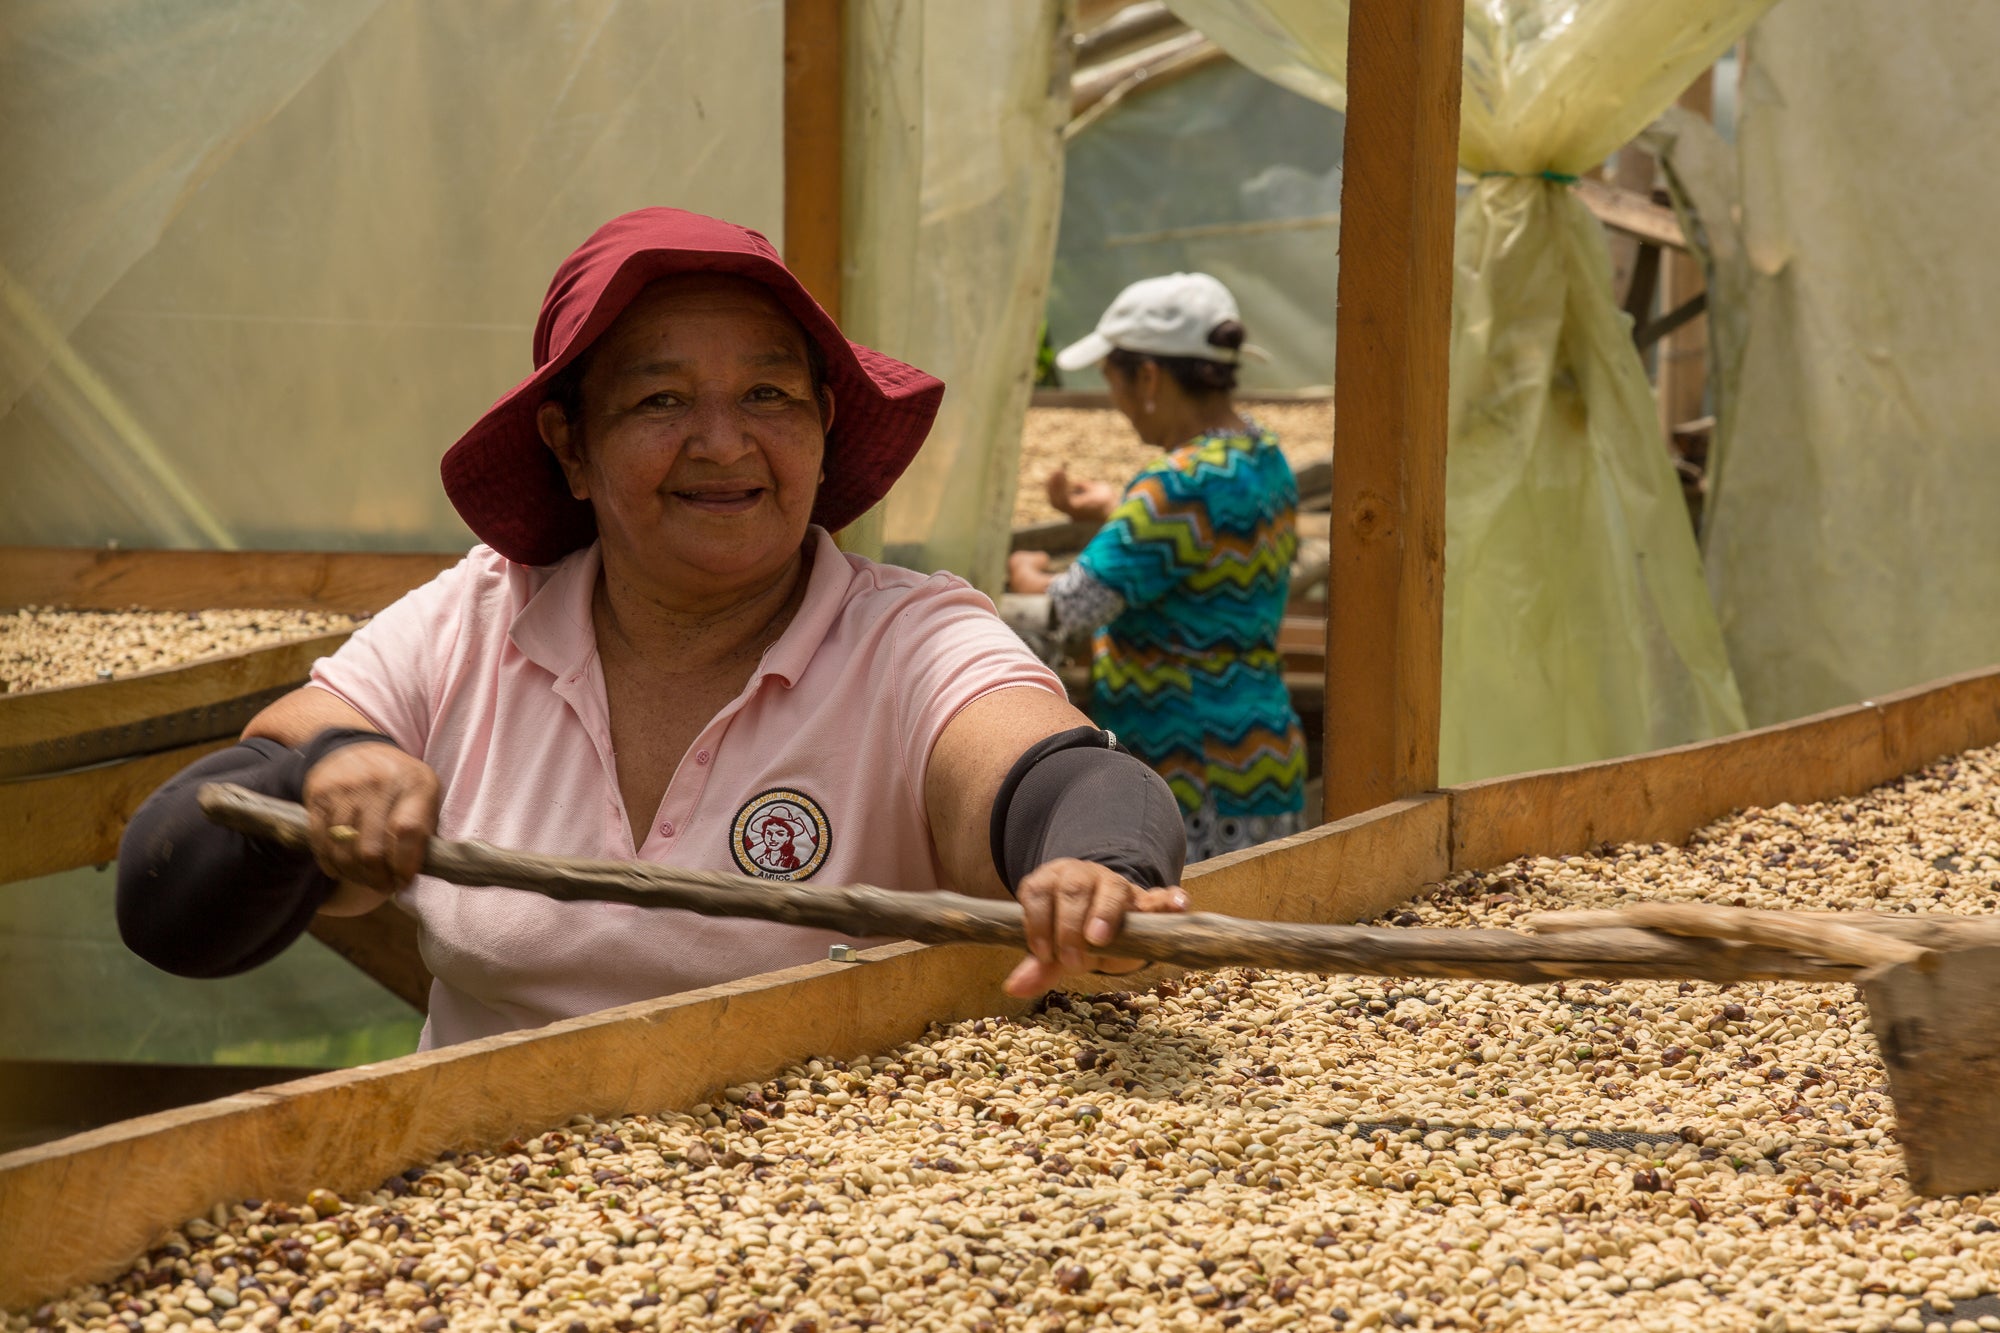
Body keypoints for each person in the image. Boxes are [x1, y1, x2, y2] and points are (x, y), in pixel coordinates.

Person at [115, 208, 1190, 1049]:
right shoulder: (481, 617)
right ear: (569, 445)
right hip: (479, 1194)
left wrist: (1097, 865)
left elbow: (1055, 775)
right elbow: (184, 884)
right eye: (660, 402)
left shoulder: (907, 639)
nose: (722, 443)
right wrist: (328, 768)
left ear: (822, 425)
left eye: (768, 394)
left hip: (835, 1212)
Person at [1008, 272, 1307, 862]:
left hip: (1190, 776)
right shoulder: (1265, 457)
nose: (1115, 402)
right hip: (1263, 759)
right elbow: (1205, 551)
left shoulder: (1174, 485)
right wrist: (1117, 512)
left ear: (1147, 377)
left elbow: (1067, 608)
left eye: (1112, 379)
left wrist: (1023, 572)